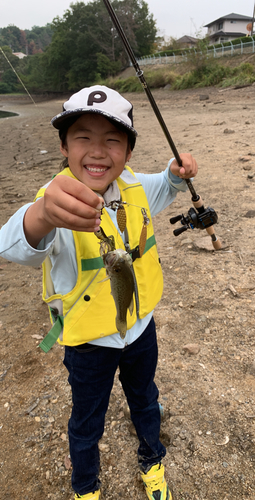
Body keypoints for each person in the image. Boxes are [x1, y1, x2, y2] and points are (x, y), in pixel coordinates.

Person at [0, 85, 198, 500]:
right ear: (63, 146)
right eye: (83, 137)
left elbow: (163, 186)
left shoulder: (132, 185)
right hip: (89, 343)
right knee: (87, 418)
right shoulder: (55, 201)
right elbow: (12, 245)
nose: (97, 151)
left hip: (141, 328)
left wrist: (176, 174)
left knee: (146, 400)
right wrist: (40, 215)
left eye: (112, 140)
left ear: (126, 152)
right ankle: (85, 486)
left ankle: (152, 460)